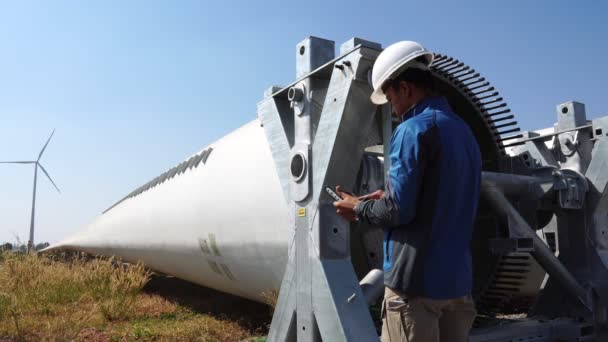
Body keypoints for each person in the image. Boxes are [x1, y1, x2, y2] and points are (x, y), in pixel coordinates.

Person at [333, 41, 481, 342]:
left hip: (416, 289)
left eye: (389, 97)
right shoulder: (464, 133)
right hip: (457, 287)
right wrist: (383, 197)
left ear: (405, 88)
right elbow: (439, 198)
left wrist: (357, 208)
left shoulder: (413, 129)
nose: (393, 108)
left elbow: (399, 210)